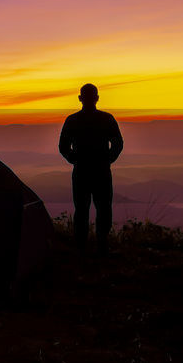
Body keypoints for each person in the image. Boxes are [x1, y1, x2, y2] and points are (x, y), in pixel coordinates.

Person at [58, 83, 123, 253]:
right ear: (97, 98)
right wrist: (108, 159)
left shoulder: (72, 120)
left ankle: (81, 246)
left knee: (81, 209)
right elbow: (118, 143)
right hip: (101, 170)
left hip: (81, 171)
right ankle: (102, 244)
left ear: (80, 98)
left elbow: (63, 146)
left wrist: (75, 160)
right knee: (103, 207)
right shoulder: (106, 119)